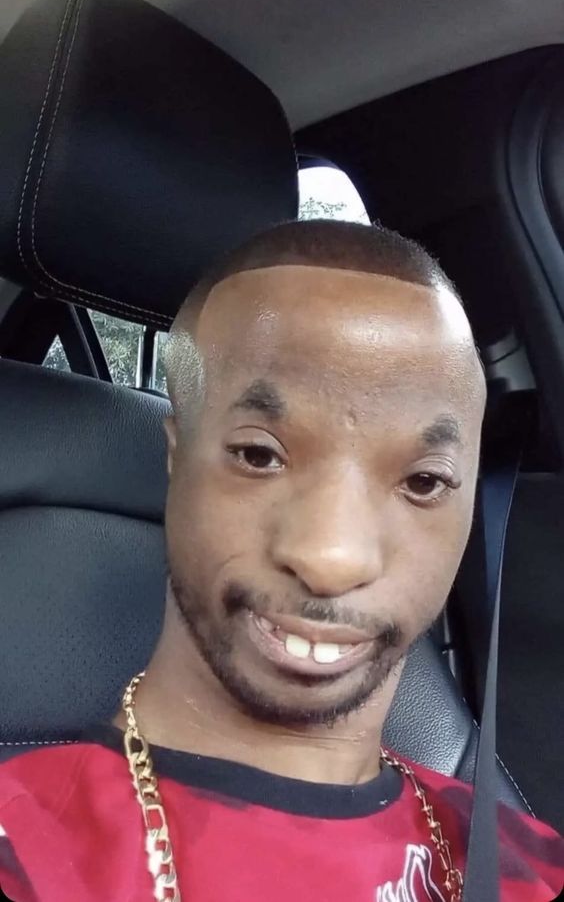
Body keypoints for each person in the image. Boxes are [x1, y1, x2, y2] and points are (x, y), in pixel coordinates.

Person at [0, 220, 562, 902]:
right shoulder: (27, 850)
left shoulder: (524, 861)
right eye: (259, 455)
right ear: (176, 457)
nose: (330, 559)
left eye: (423, 481)